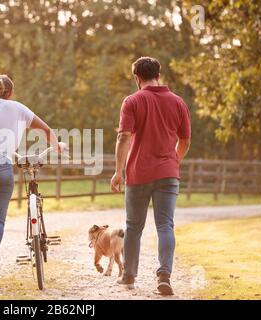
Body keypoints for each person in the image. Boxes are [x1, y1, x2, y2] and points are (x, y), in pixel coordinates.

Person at [0, 75, 63, 288]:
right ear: (10, 93)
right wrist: (57, 146)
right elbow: (45, 130)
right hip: (0, 166)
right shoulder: (19, 109)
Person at [110, 57, 191, 295]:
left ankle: (129, 277)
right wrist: (174, 160)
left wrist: (118, 171)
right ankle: (164, 275)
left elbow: (123, 136)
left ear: (137, 78)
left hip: (138, 173)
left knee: (134, 226)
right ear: (159, 74)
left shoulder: (133, 101)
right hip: (168, 174)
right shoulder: (178, 102)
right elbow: (185, 141)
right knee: (165, 225)